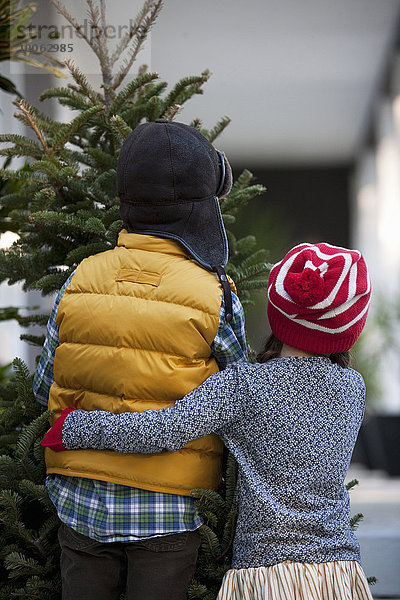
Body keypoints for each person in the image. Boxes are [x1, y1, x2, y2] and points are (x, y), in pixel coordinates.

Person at [43, 241, 374, 600]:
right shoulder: (353, 388)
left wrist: (77, 427)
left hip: (263, 577)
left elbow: (164, 431)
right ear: (349, 327)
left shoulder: (244, 385)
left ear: (278, 313)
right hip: (338, 573)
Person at [35, 119, 247, 600]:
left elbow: (44, 381)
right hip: (168, 507)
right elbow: (239, 394)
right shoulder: (213, 294)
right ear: (200, 212)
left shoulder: (80, 278)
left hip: (77, 496)